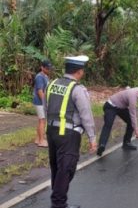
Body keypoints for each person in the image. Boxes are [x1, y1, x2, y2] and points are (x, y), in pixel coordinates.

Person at [45, 55, 97, 208]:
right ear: (79, 72)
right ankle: (59, 203)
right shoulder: (77, 89)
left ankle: (58, 198)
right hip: (68, 134)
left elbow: (45, 106)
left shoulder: (52, 84)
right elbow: (86, 114)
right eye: (83, 70)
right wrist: (92, 138)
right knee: (67, 168)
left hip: (52, 131)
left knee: (56, 166)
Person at [97, 84, 138, 156]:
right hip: (110, 106)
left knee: (130, 122)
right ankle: (101, 145)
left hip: (121, 107)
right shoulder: (133, 97)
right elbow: (133, 114)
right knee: (108, 125)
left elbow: (128, 89)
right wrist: (137, 131)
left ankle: (126, 143)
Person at [33, 60, 52, 147]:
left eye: (49, 68)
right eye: (47, 68)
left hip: (42, 102)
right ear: (42, 67)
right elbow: (40, 91)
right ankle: (41, 141)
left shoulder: (46, 76)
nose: (48, 69)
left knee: (41, 120)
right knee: (42, 121)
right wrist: (45, 103)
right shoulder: (39, 77)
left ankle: (37, 139)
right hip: (40, 102)